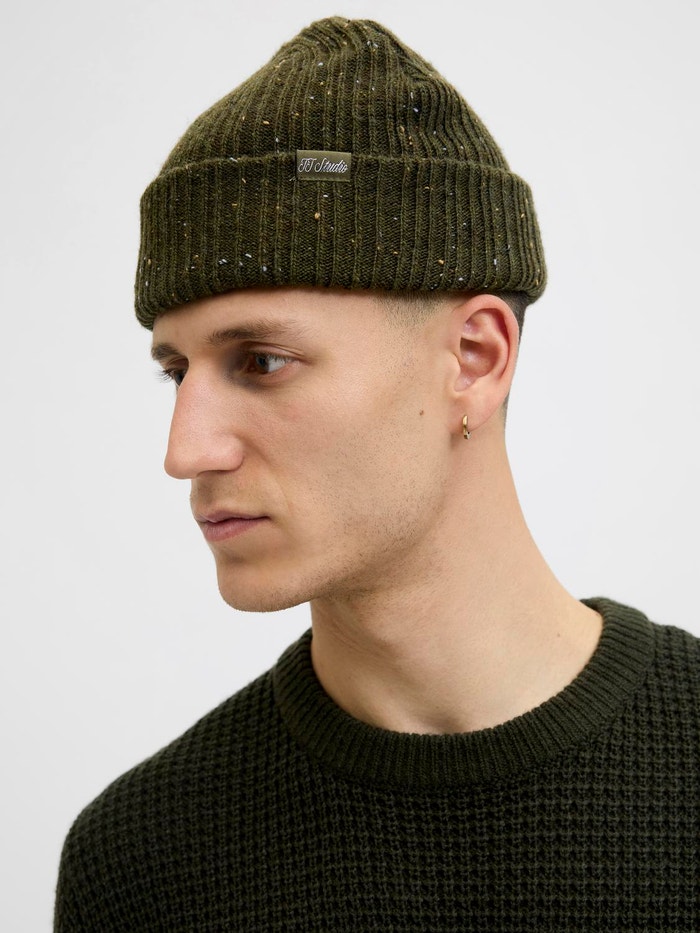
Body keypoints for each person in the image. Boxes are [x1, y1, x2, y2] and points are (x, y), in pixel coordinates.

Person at [54, 16, 699, 932]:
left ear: (474, 358)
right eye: (176, 370)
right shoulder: (141, 862)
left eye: (261, 361)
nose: (185, 450)